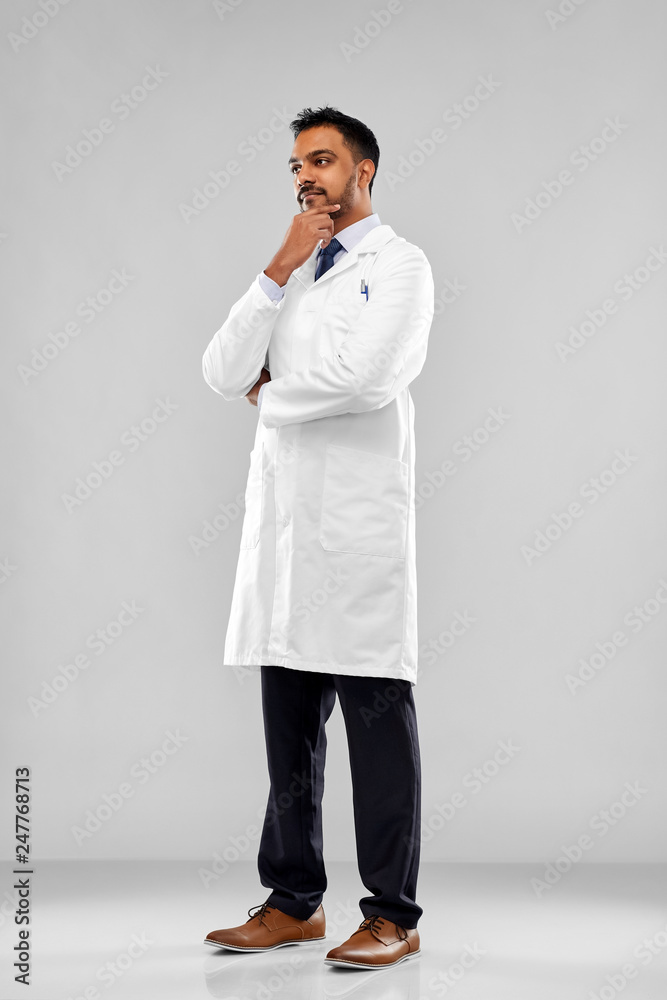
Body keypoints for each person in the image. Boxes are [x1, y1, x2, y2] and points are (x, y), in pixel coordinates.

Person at [201, 106, 435, 969]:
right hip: (288, 538)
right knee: (289, 736)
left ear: (363, 171)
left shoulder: (400, 266)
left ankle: (392, 915)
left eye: (323, 160)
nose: (306, 176)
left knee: (378, 735)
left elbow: (367, 378)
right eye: (298, 164)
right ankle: (293, 901)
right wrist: (277, 266)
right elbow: (220, 370)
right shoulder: (294, 274)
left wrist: (272, 394)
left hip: (357, 535)